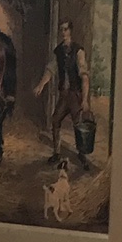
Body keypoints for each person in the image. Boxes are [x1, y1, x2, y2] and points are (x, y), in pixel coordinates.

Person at [34, 20, 90, 167]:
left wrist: (84, 99)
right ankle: (57, 153)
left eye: (65, 29)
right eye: (61, 30)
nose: (63, 32)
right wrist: (41, 85)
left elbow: (84, 76)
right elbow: (50, 70)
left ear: (70, 31)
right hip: (64, 95)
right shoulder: (58, 51)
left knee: (78, 124)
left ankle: (82, 155)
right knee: (55, 120)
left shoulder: (78, 51)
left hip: (75, 95)